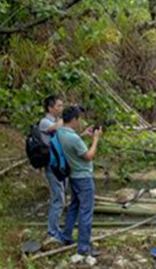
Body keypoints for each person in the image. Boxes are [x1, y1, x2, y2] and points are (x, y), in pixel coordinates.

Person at [57, 105, 102, 257]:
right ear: (74, 119)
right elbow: (88, 155)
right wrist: (96, 139)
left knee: (74, 207)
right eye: (78, 119)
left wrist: (83, 135)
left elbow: (74, 145)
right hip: (83, 177)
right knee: (86, 211)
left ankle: (66, 235)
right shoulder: (73, 138)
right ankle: (83, 246)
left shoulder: (61, 132)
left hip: (73, 176)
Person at [39, 95, 65, 244]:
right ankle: (52, 232)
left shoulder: (56, 122)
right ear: (50, 108)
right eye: (59, 106)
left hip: (60, 166)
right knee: (57, 199)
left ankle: (56, 230)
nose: (61, 108)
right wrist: (67, 116)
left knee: (60, 198)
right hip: (51, 166)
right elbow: (54, 128)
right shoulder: (45, 122)